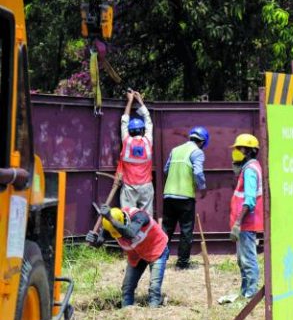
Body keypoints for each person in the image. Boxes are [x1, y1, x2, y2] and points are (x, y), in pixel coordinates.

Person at [86, 205, 169, 307]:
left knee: (154, 288)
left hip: (156, 249)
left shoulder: (139, 216)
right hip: (136, 256)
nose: (117, 234)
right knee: (127, 288)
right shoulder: (109, 224)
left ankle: (154, 312)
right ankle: (127, 311)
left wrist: (111, 219)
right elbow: (100, 242)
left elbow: (130, 233)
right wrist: (94, 241)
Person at [162, 126, 209, 269]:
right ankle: (182, 263)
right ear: (202, 142)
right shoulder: (197, 152)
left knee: (166, 230)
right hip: (185, 197)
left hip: (169, 195)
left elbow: (166, 170)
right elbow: (198, 173)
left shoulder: (175, 150)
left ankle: (159, 259)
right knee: (186, 231)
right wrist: (202, 187)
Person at [228, 134, 264, 298]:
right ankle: (245, 291)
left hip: (246, 223)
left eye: (239, 148)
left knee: (248, 259)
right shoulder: (250, 167)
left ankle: (250, 294)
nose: (236, 151)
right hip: (245, 223)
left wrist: (237, 223)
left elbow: (249, 200)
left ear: (249, 151)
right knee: (242, 259)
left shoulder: (249, 170)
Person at [118, 90, 154, 215]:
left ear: (130, 131)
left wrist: (129, 101)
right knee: (146, 219)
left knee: (127, 216)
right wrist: (140, 101)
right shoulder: (148, 142)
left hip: (129, 187)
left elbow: (124, 121)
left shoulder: (126, 142)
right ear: (142, 131)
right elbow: (149, 121)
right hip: (146, 187)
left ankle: (128, 234)